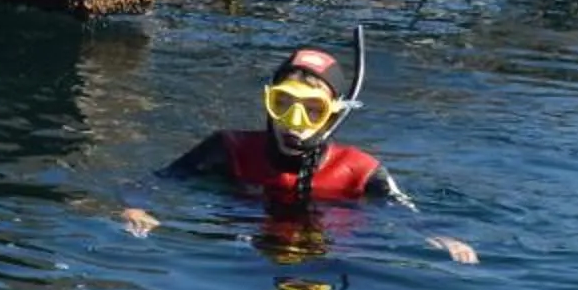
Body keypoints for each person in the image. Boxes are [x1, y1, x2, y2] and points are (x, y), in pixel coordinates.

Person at [123, 35, 478, 263]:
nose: (294, 121)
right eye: (284, 104)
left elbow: (408, 214)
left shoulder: (360, 170)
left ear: (333, 115)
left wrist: (442, 236)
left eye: (312, 110)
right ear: (267, 103)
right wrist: (136, 209)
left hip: (327, 254)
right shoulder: (227, 148)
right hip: (243, 250)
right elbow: (155, 182)